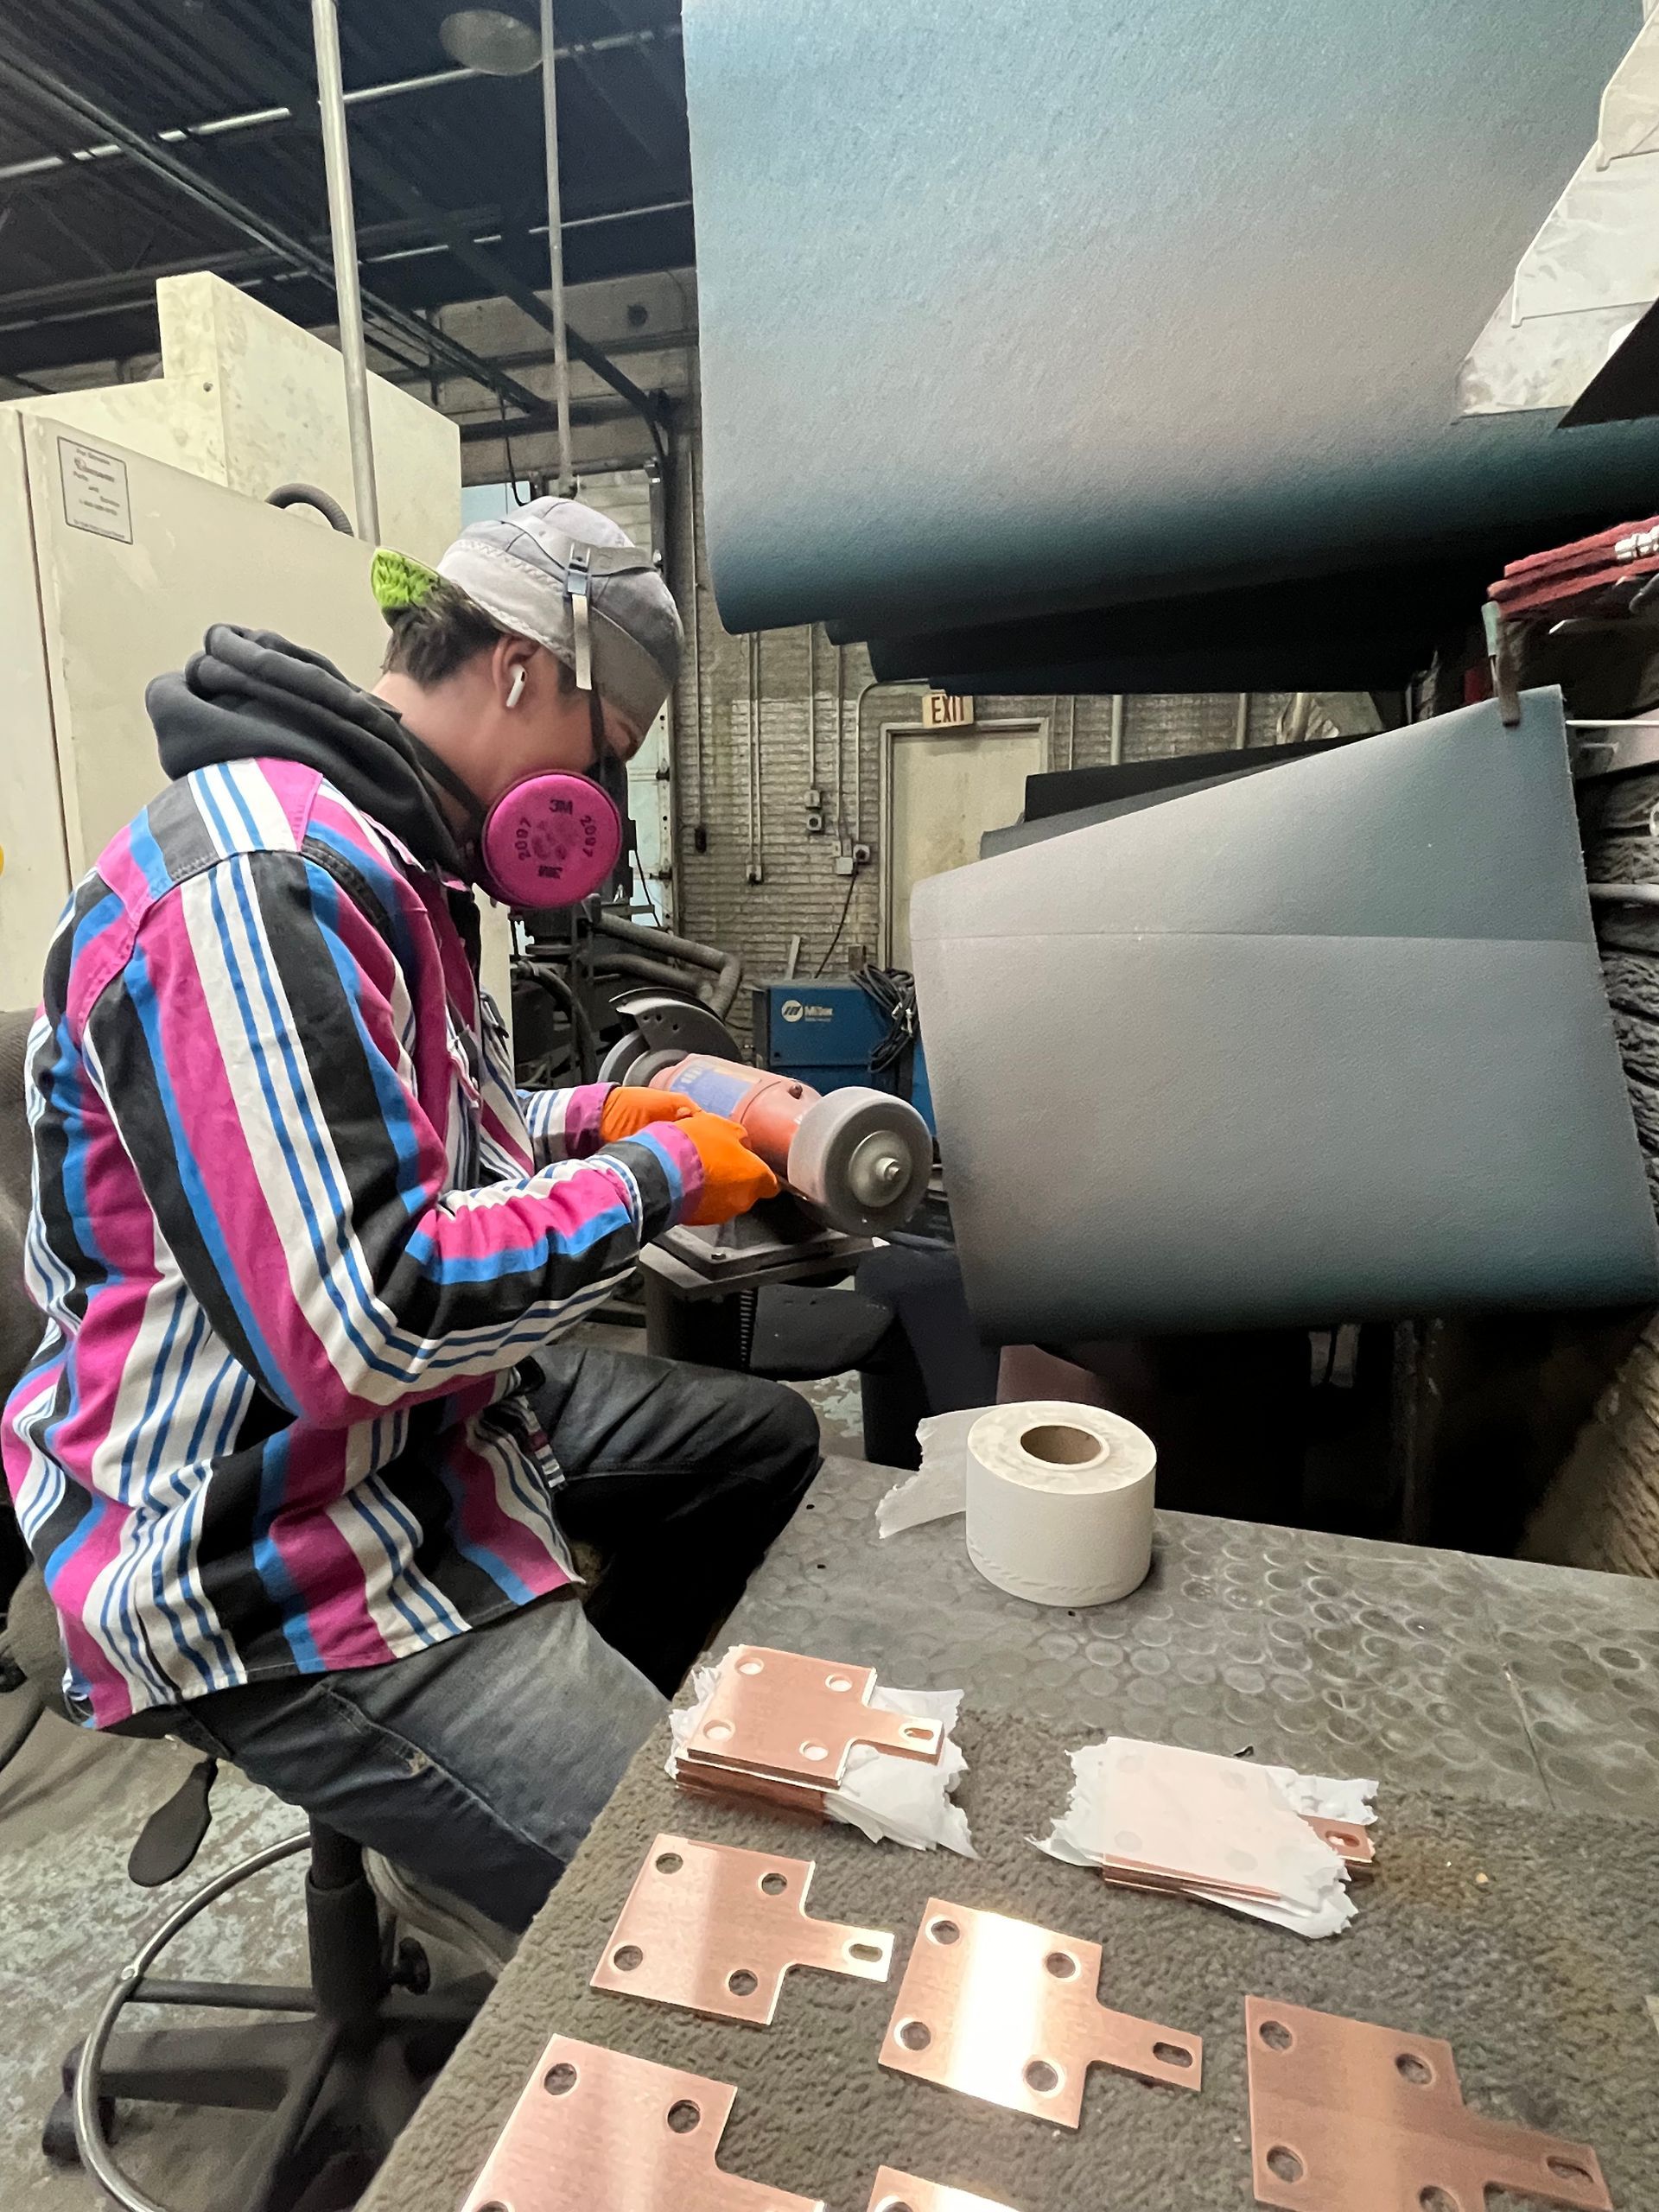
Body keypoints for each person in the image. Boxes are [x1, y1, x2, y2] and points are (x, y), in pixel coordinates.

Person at [1, 497, 822, 1944]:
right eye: (609, 753)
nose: (605, 808)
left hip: (419, 1436)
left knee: (760, 1448)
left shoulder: (393, 856)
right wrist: (656, 1182)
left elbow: (442, 1145)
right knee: (688, 1901)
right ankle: (534, 1846)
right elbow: (371, 1317)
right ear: (520, 670)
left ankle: (496, 1811)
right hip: (262, 1534)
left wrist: (615, 1118)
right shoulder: (266, 887)